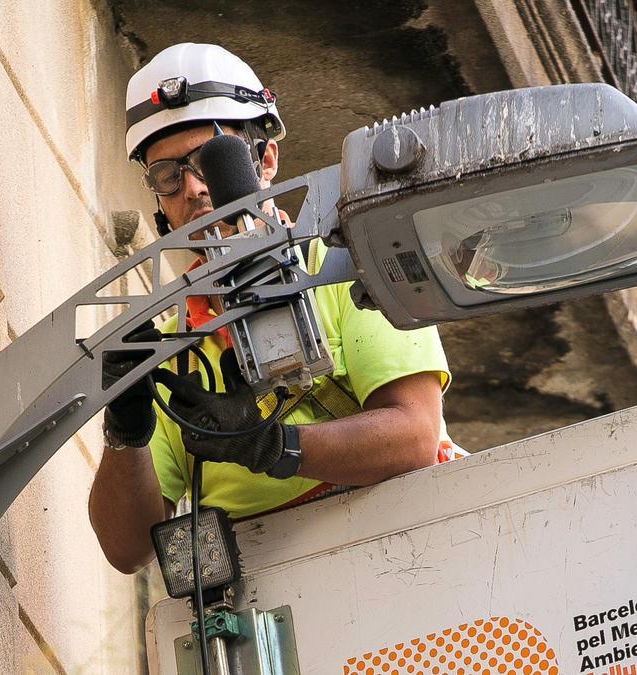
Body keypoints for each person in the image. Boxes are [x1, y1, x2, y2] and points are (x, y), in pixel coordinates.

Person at [88, 43, 460, 574]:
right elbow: (126, 550)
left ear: (266, 160)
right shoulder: (176, 349)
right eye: (168, 176)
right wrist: (126, 430)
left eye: (211, 162)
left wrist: (274, 447)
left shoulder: (344, 269)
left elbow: (415, 437)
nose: (193, 187)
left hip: (417, 564)